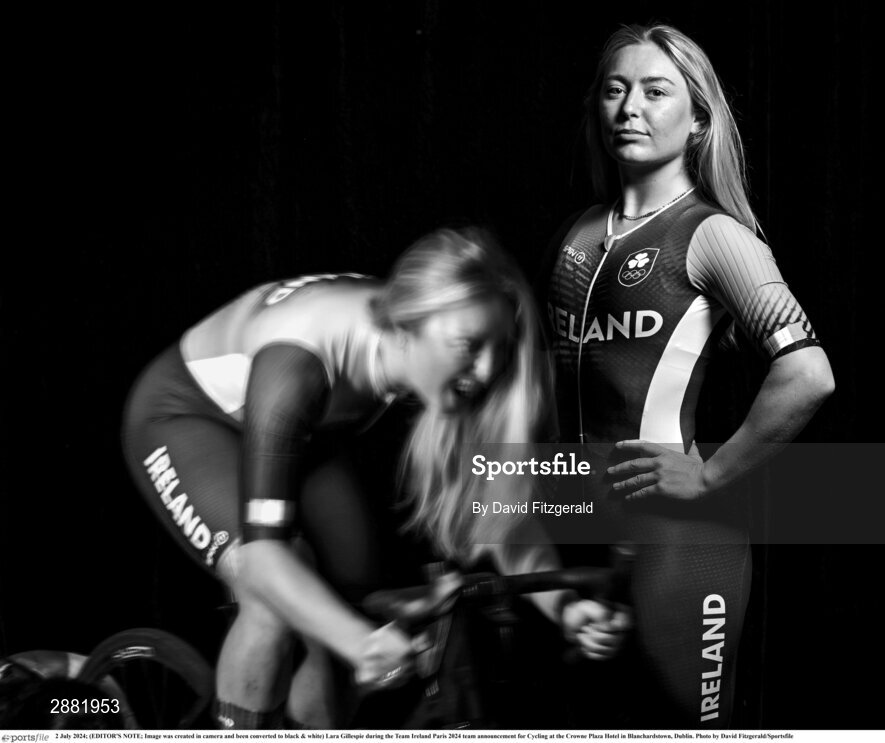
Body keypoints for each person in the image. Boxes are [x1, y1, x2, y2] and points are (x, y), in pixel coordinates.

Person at [122, 227, 627, 729]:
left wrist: (562, 608)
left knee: (351, 594)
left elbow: (501, 515)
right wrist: (361, 644)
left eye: (500, 347)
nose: (489, 367)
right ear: (406, 326)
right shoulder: (296, 363)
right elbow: (264, 560)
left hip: (306, 432)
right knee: (275, 591)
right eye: (470, 345)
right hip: (185, 419)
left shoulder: (444, 365)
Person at [543, 24, 835, 726]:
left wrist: (707, 474)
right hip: (584, 530)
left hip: (680, 539)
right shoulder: (578, 235)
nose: (629, 109)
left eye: (654, 91)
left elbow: (808, 374)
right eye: (614, 91)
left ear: (698, 119)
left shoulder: (712, 236)